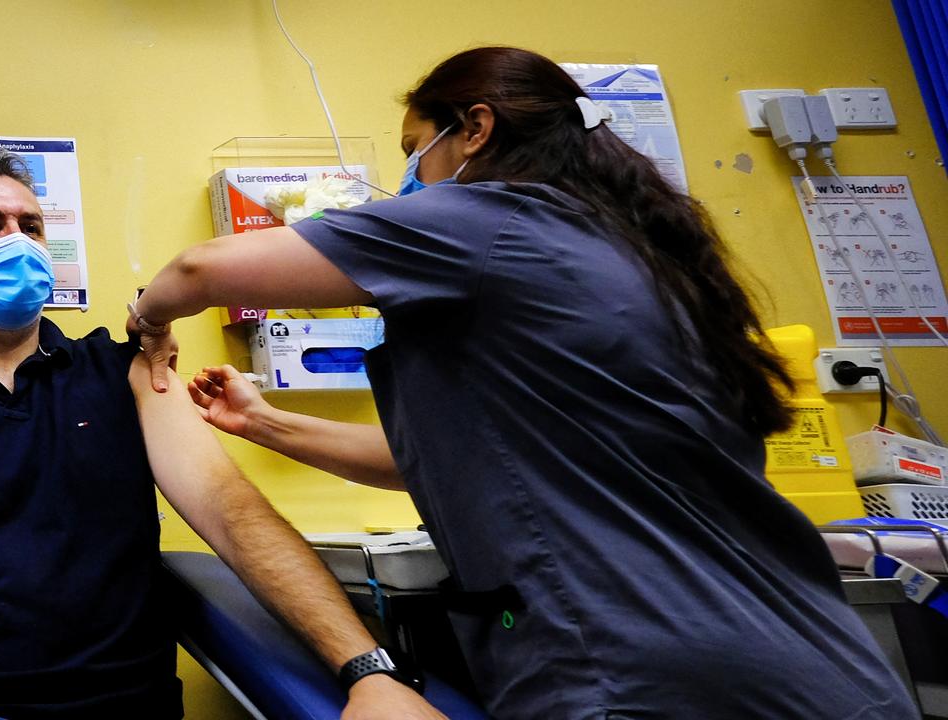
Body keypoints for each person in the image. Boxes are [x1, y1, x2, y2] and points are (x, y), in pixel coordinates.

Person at [126, 47, 919, 719]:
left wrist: (149, 317)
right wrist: (268, 423)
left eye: (415, 149)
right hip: (815, 659)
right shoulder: (639, 258)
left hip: (640, 661)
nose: (413, 177)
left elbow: (203, 268)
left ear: (475, 127)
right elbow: (484, 463)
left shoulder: (491, 221)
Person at [0, 149, 444, 720]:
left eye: (31, 227)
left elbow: (232, 514)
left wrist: (367, 670)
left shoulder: (124, 373)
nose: (18, 243)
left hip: (128, 709)